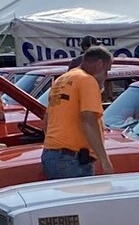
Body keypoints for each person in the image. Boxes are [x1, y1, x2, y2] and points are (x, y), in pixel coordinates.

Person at [40, 45, 114, 179]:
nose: (106, 76)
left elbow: (47, 121)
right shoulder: (87, 80)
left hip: (53, 154)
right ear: (99, 64)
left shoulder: (61, 80)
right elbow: (89, 121)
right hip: (71, 159)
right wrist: (105, 161)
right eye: (107, 70)